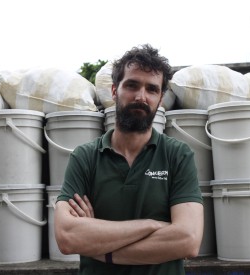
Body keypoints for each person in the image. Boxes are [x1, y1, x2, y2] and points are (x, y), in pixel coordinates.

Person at [54, 44, 204, 275]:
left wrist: (100, 246)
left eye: (152, 89)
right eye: (132, 85)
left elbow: (188, 240)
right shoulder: (85, 157)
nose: (141, 97)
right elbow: (67, 237)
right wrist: (152, 225)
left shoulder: (177, 155)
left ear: (160, 99)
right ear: (115, 90)